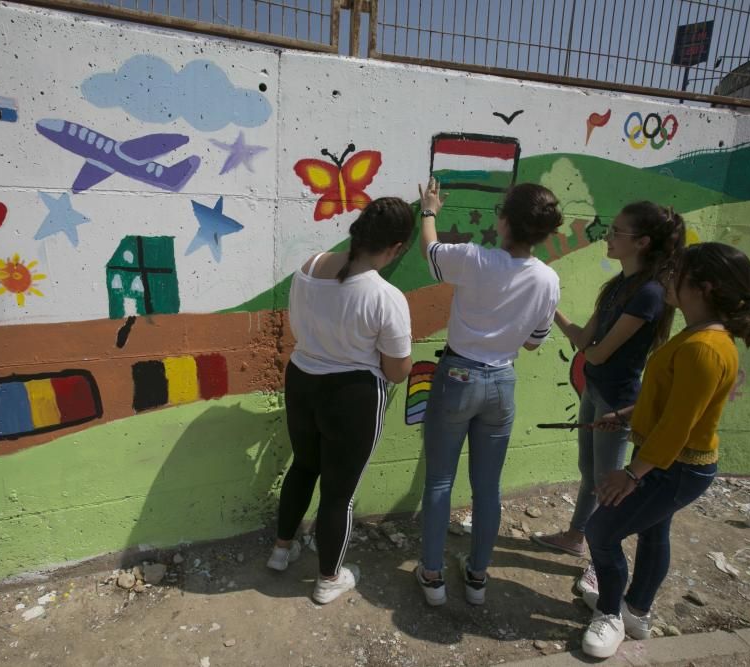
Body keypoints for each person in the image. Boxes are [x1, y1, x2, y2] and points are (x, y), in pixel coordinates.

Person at [579, 242, 750, 658]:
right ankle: (637, 611)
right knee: (653, 530)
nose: (667, 279)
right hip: (668, 461)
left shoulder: (704, 348)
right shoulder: (699, 335)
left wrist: (630, 476)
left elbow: (678, 428)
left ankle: (610, 613)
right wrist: (628, 413)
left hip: (674, 466)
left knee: (601, 531)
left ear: (703, 287)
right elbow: (672, 402)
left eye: (676, 272)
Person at [414, 178, 562, 606]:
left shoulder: (474, 259)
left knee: (440, 480)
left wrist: (428, 210)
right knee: (487, 488)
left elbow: (430, 251)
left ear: (503, 221)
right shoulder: (548, 280)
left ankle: (432, 575)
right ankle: (477, 578)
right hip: (502, 383)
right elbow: (534, 341)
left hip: (457, 376)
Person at [531, 202, 685, 598]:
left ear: (643, 242)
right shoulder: (618, 284)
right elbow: (586, 341)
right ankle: (574, 536)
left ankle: (600, 564)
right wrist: (549, 306)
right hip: (596, 390)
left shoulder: (650, 295)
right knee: (590, 471)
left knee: (609, 483)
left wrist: (584, 343)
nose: (608, 237)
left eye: (617, 232)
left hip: (619, 400)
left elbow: (597, 353)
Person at [267, 197, 415, 605]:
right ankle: (329, 578)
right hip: (352, 396)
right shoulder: (386, 297)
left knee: (303, 466)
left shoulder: (309, 266)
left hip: (301, 380)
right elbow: (399, 369)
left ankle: (282, 550)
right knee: (338, 493)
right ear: (396, 248)